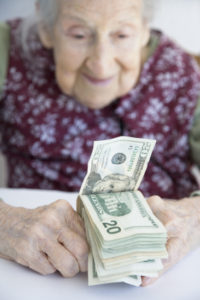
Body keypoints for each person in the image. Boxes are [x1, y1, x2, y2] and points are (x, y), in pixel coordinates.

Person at [0, 0, 200, 286]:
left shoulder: (182, 73)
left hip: (168, 279)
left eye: (121, 35)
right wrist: (6, 222)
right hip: (42, 277)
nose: (101, 64)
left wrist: (195, 218)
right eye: (79, 35)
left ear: (144, 30)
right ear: (46, 27)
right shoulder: (7, 49)